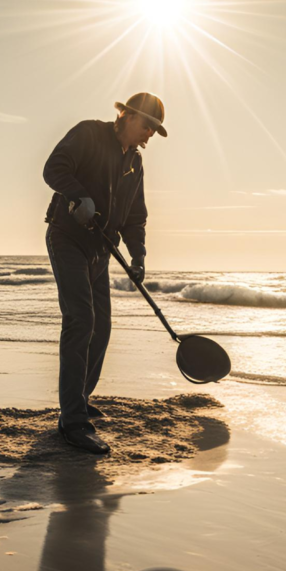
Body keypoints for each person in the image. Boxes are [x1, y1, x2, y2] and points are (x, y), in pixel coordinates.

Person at [42, 92, 167, 454]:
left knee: (102, 327)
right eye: (147, 126)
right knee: (81, 319)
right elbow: (54, 169)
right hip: (68, 238)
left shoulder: (136, 163)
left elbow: (135, 216)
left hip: (101, 250)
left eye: (155, 131)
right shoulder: (88, 134)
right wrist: (80, 196)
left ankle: (79, 399)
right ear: (127, 116)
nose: (148, 135)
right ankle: (72, 420)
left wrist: (138, 256)